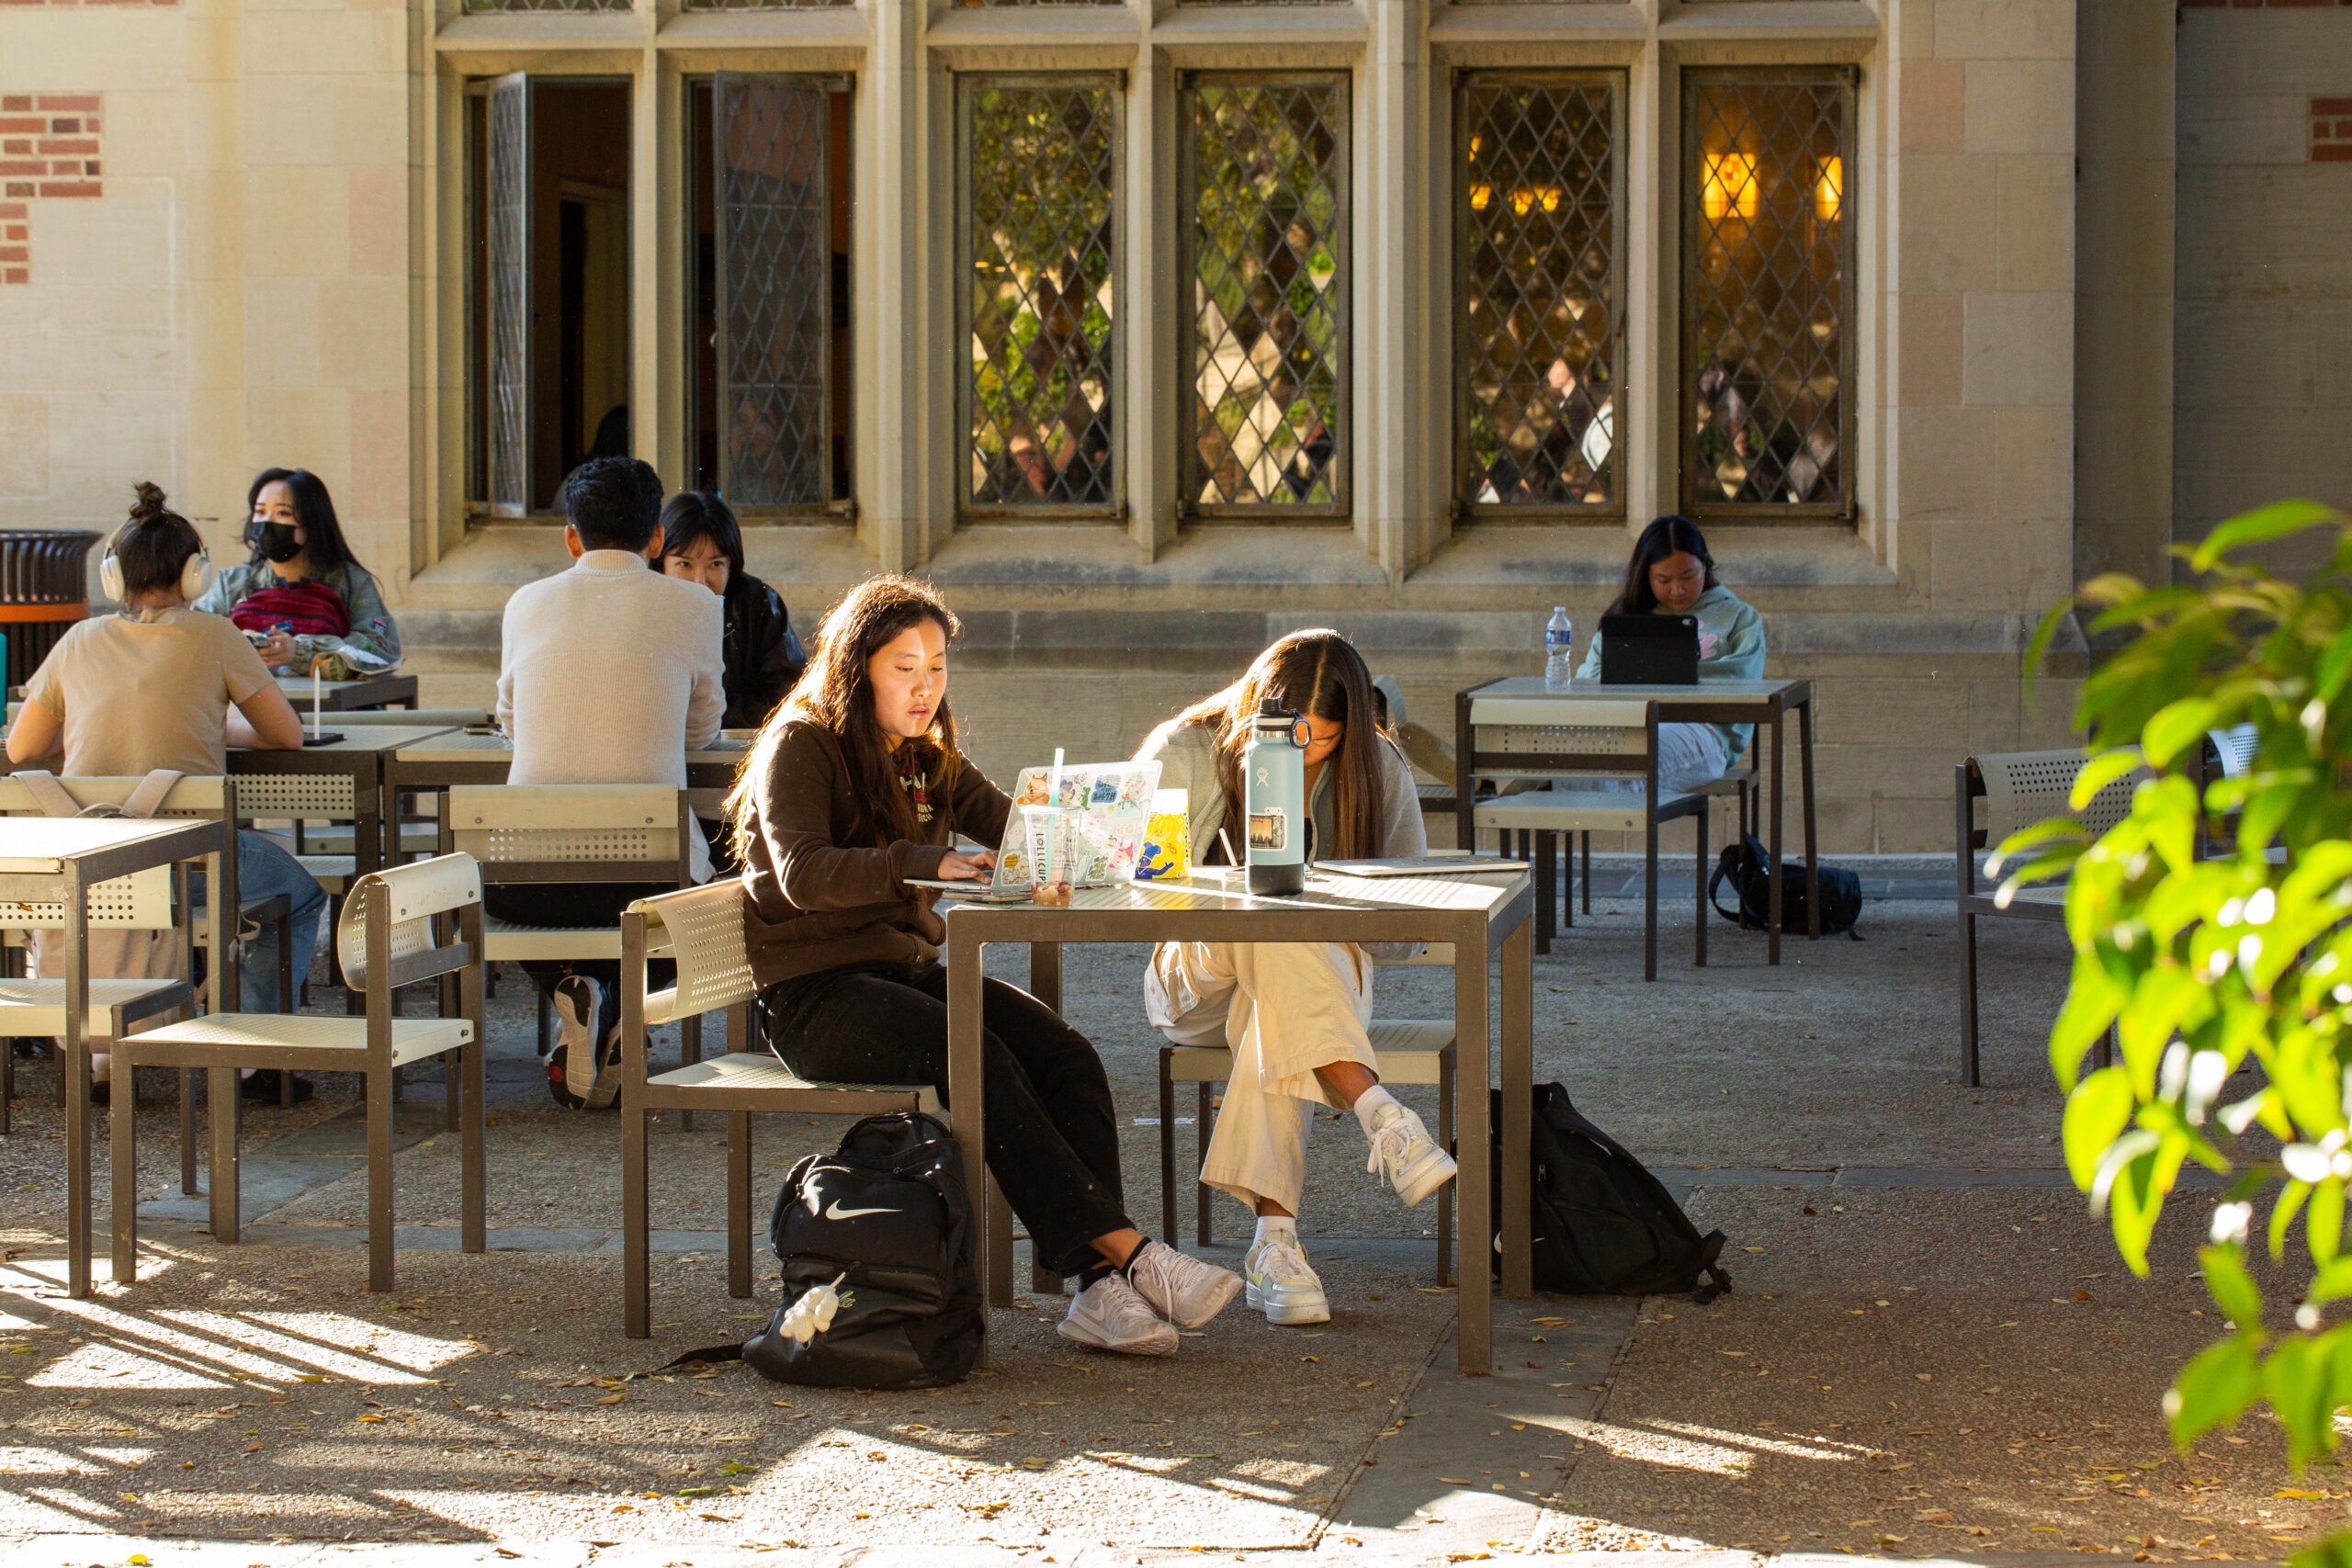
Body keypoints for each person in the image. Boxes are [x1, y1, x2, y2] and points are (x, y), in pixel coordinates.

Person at [724, 574, 1241, 1357]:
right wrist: (923, 860)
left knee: (1066, 1054)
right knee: (979, 1054)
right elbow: (804, 871)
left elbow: (1014, 824)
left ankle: (1096, 1291)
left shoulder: (926, 756)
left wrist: (1085, 833)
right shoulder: (802, 741)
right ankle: (1130, 1257)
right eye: (905, 667)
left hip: (898, 972)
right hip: (812, 994)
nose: (924, 685)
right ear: (856, 666)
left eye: (936, 666)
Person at [1136, 630, 1456, 1329]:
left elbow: (1408, 936)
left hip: (1316, 983)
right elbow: (1138, 895)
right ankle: (1379, 1114)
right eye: (1292, 738)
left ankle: (1275, 1246)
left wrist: (1333, 898)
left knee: (1276, 978)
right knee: (1263, 920)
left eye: (1326, 743)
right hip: (1195, 972)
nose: (1308, 755)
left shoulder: (1380, 768)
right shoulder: (1186, 749)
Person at [7, 483, 327, 1102]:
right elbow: (286, 733)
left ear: (112, 577)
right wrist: (215, 723)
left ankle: (96, 1060)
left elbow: (22, 750)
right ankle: (258, 1056)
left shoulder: (77, 642)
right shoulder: (216, 636)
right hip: (186, 859)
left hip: (92, 862)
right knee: (300, 896)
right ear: (195, 573)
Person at [493, 457, 725, 1110]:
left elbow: (510, 722)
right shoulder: (694, 605)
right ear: (657, 538)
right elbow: (703, 729)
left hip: (528, 886)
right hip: (646, 883)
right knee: (720, 885)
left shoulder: (525, 603)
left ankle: (578, 986)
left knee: (512, 889)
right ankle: (627, 1005)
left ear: (572, 537)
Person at [1575, 514, 1766, 792]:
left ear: (1706, 566)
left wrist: (1653, 675)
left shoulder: (1739, 617)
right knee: (1573, 763)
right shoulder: (1628, 619)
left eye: (1688, 576)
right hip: (1627, 727)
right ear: (1644, 576)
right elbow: (1590, 679)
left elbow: (1741, 678)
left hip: (1704, 733)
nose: (1678, 589)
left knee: (1619, 772)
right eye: (1663, 579)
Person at [195, 468, 402, 679]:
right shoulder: (232, 583)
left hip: (329, 708)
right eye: (260, 512)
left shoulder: (352, 582)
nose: (267, 522)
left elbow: (381, 645)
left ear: (312, 523)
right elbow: (195, 635)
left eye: (282, 513)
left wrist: (301, 652)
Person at [651, 491, 806, 730]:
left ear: (731, 566)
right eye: (684, 564)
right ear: (660, 564)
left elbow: (788, 692)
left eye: (715, 565)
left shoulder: (759, 603)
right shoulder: (641, 606)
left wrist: (706, 716)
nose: (699, 582)